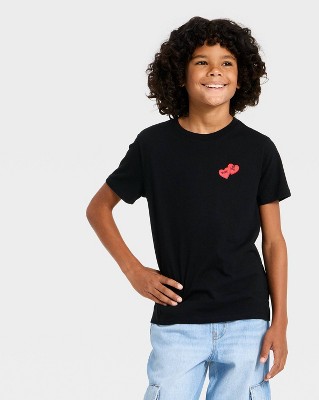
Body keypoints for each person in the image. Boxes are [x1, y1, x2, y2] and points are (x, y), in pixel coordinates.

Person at [86, 16, 292, 400]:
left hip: (247, 320)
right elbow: (98, 208)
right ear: (180, 73)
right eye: (201, 61)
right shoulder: (153, 146)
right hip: (178, 320)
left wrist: (279, 321)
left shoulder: (259, 149)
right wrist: (134, 271)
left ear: (241, 77)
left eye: (226, 62)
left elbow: (274, 242)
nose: (215, 70)